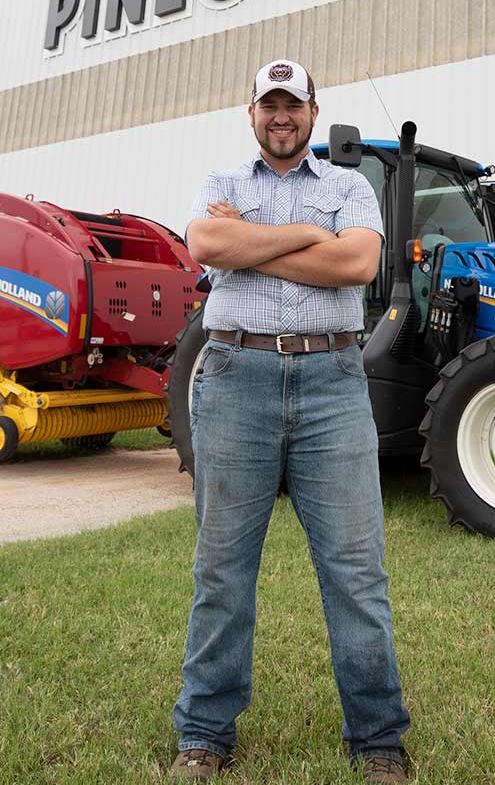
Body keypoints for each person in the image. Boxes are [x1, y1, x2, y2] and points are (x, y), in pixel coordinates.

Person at [171, 59, 411, 783]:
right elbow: (208, 247)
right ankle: (204, 732)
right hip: (234, 379)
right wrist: (311, 239)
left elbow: (360, 264)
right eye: (269, 105)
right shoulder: (224, 185)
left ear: (313, 112)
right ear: (252, 112)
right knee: (222, 571)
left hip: (331, 384)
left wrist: (260, 243)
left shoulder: (350, 186)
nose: (282, 116)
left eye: (294, 105)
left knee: (356, 571)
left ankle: (378, 740)